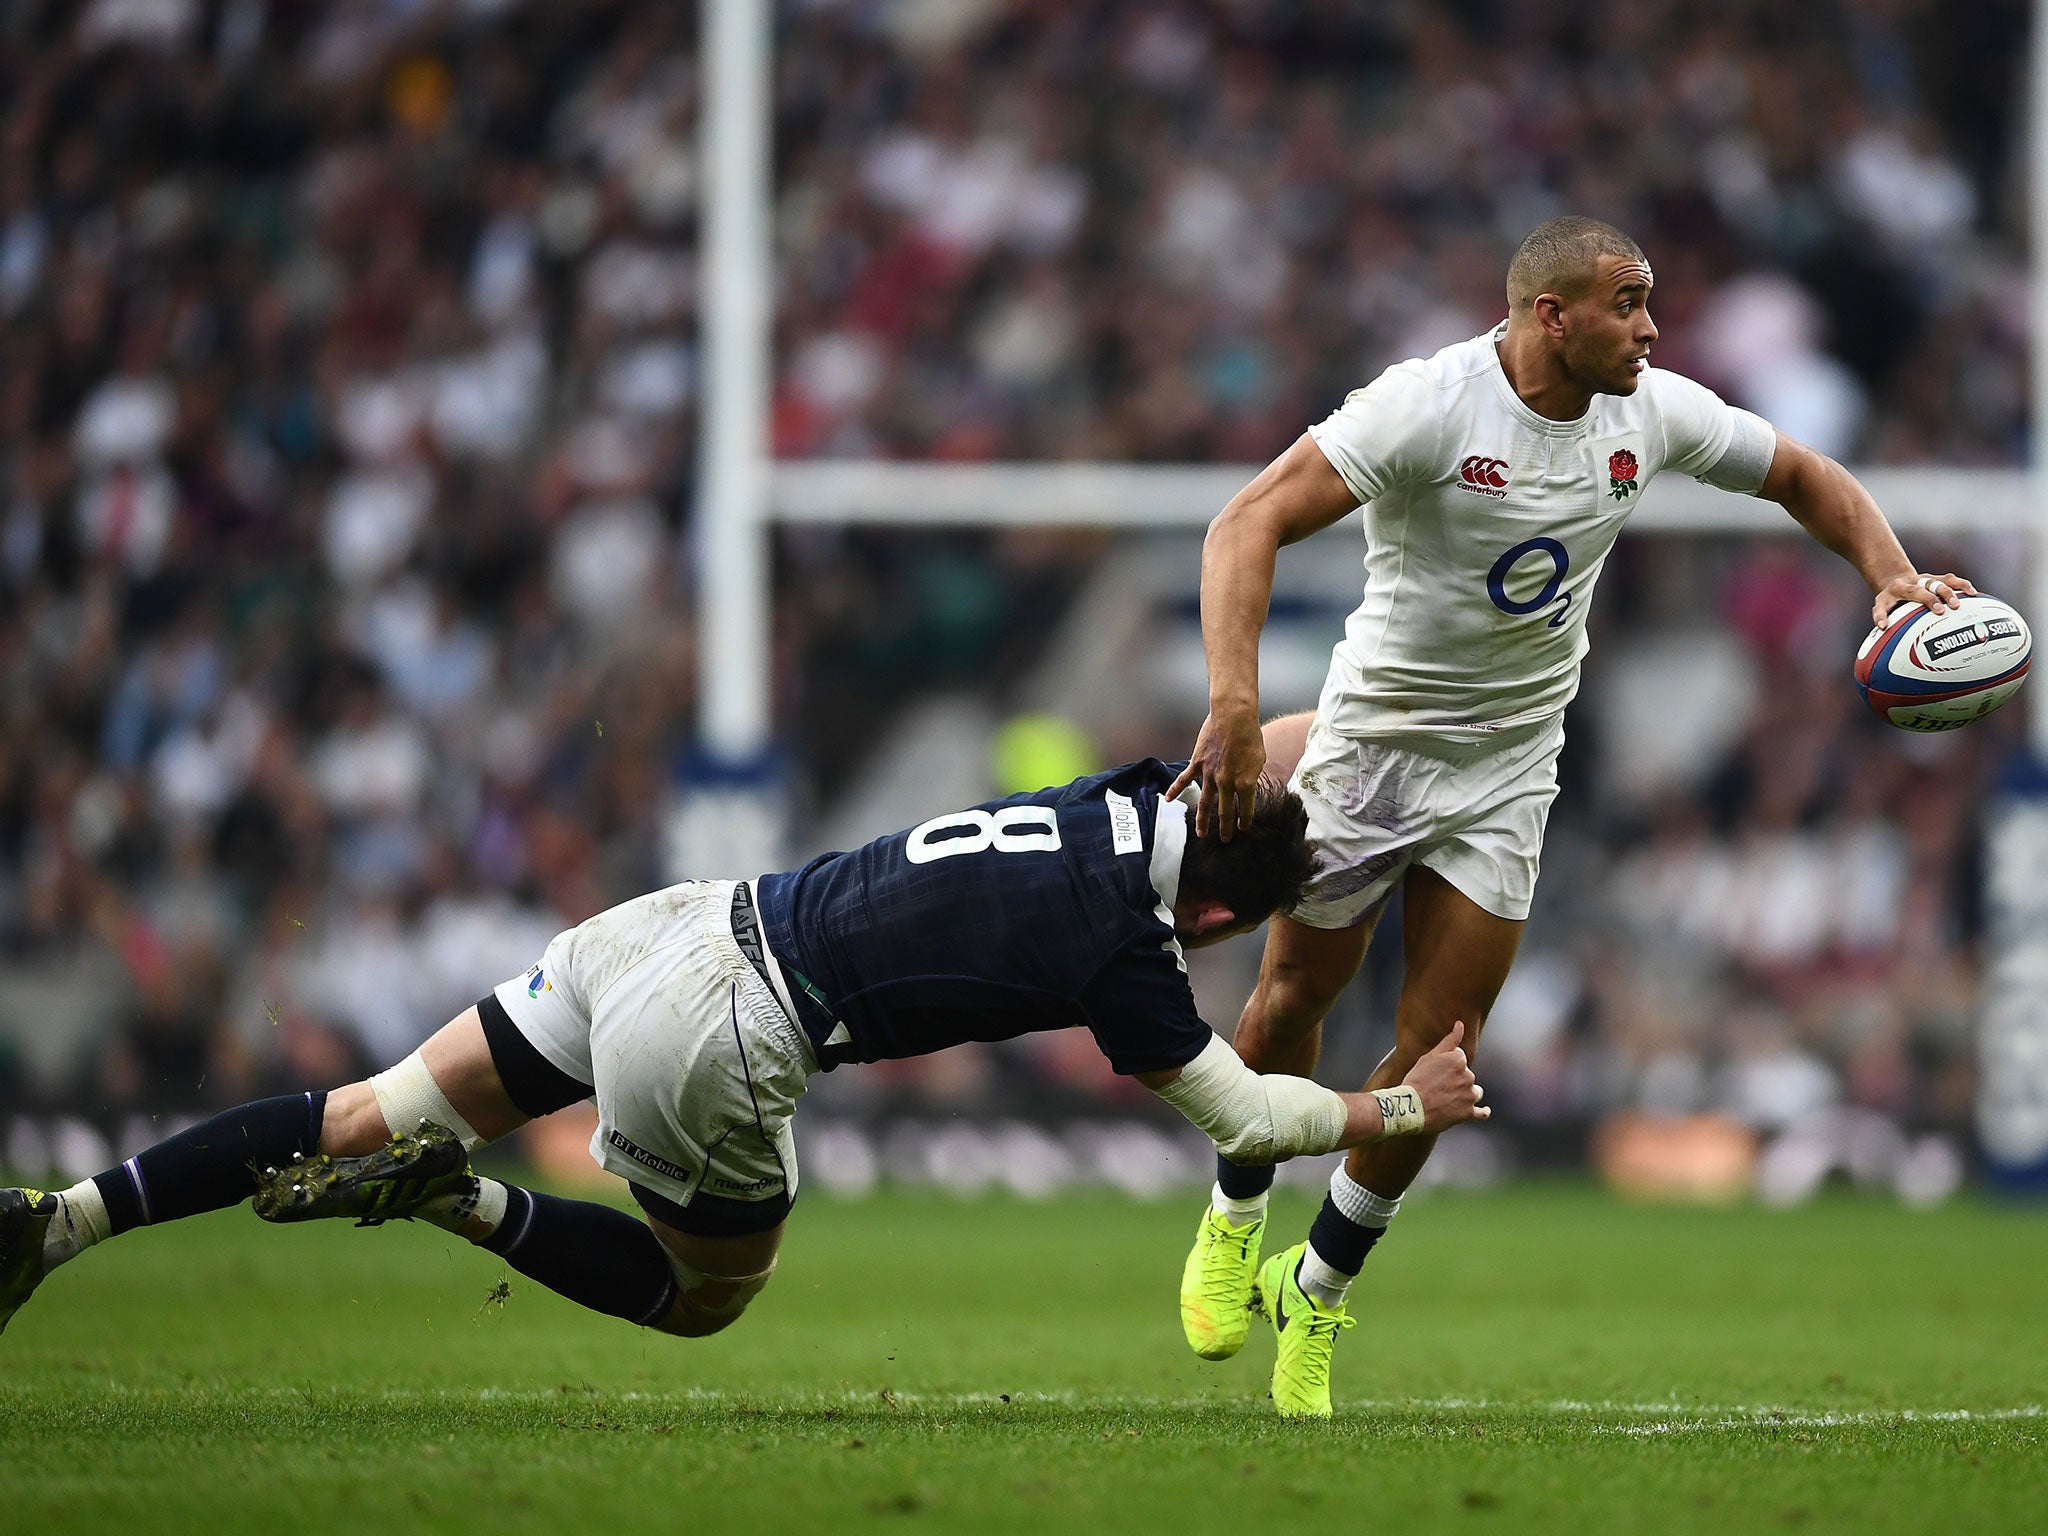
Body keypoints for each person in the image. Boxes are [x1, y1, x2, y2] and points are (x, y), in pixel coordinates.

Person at [1170, 215, 1977, 1417]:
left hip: (1505, 774)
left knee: (1442, 1052)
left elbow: (1805, 475)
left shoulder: (1647, 412)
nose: (1651, 328)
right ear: (1550, 315)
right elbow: (1247, 519)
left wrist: (1889, 574)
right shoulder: (1428, 405)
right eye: (1627, 302)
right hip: (1371, 751)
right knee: (1293, 999)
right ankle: (1237, 1215)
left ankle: (1319, 1293)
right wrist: (1234, 704)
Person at [0, 759, 1488, 1348]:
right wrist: (1391, 1100)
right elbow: (1237, 1104)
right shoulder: (1131, 945)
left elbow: (1233, 769)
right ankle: (457, 1200)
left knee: (350, 1108)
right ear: (1223, 905)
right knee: (703, 1296)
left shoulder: (1114, 800)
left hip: (665, 928)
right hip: (725, 1033)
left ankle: (62, 1219)